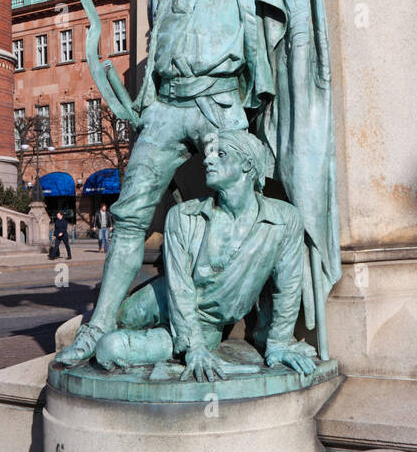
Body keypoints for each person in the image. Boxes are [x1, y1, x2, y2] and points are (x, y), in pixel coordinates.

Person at [60, 0, 335, 369]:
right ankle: (99, 326)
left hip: (223, 103)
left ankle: (269, 329)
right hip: (167, 106)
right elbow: (159, 51)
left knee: (258, 202)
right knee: (131, 214)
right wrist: (148, 99)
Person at [94, 130, 317, 379]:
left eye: (221, 154)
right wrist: (195, 347)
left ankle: (161, 346)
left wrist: (278, 343)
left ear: (248, 164)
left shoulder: (284, 220)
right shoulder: (183, 216)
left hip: (206, 326)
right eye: (210, 154)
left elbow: (288, 287)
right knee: (121, 317)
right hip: (163, 297)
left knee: (108, 348)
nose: (208, 160)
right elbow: (179, 287)